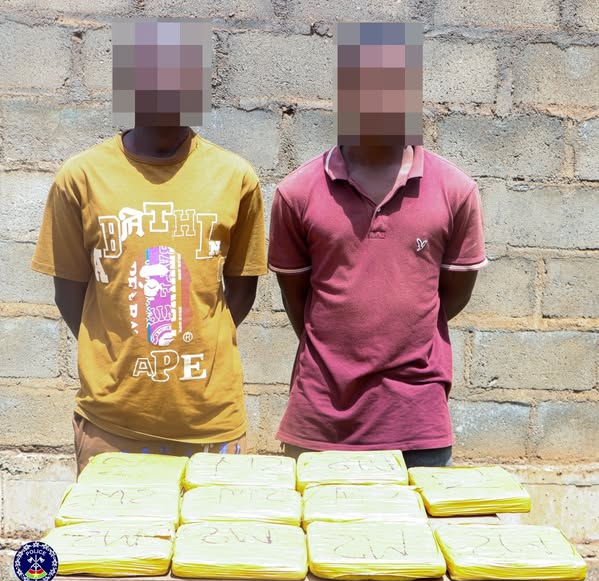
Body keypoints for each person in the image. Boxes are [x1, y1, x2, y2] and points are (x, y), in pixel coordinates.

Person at [31, 20, 266, 474]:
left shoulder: (235, 177)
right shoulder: (81, 177)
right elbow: (69, 293)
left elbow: (240, 291)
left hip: (210, 422)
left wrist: (189, 342)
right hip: (112, 424)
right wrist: (121, 349)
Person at [268, 22, 487, 468]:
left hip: (416, 419)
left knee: (417, 518)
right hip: (320, 420)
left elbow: (450, 297)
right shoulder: (297, 193)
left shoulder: (455, 190)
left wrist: (399, 334)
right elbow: (299, 301)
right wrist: (341, 346)